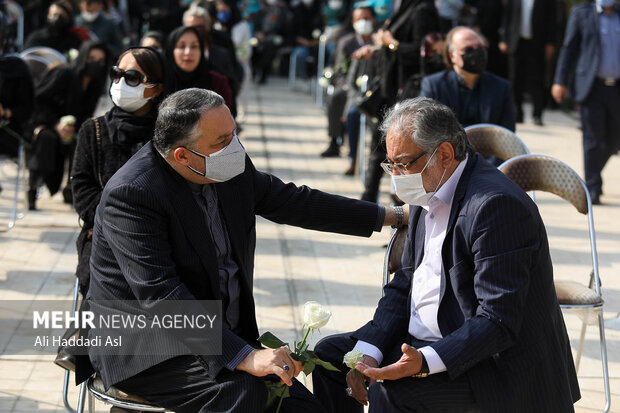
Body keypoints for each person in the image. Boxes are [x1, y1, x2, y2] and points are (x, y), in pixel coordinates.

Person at [83, 88, 406, 412]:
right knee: (248, 394)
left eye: (234, 133)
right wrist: (245, 355)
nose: (234, 147)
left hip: (219, 336)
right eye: (221, 140)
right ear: (182, 155)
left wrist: (391, 216)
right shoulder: (133, 194)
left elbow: (294, 202)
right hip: (148, 348)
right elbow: (162, 296)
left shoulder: (224, 167)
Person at [312, 97, 580, 413]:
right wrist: (368, 352)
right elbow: (404, 285)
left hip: (492, 363)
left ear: (444, 154)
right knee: (332, 359)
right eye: (391, 164)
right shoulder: (432, 190)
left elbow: (497, 320)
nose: (396, 177)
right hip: (428, 338)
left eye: (403, 163)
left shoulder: (495, 206)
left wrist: (424, 361)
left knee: (393, 395)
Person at [71, 46, 166, 295]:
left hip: (156, 238)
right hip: (103, 235)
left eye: (132, 77)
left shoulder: (169, 135)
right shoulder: (93, 131)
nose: (121, 82)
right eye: (117, 74)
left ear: (155, 88)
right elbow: (82, 193)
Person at [354, 0, 439, 202]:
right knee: (380, 141)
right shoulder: (405, 9)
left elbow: (421, 52)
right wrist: (379, 46)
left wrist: (391, 43)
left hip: (407, 90)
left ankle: (402, 199)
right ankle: (372, 195)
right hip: (391, 88)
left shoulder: (422, 11)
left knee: (401, 145)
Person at [552, 0, 620, 205]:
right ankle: (592, 186)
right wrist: (560, 80)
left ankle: (592, 174)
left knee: (614, 139)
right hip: (592, 87)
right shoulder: (581, 13)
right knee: (593, 138)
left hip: (617, 88)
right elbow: (568, 49)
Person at [30, 40, 110, 204]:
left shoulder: (94, 86)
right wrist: (55, 124)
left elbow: (86, 114)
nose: (95, 63)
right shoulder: (63, 73)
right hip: (43, 122)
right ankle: (33, 189)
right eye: (91, 58)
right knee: (46, 138)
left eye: (100, 61)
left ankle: (73, 187)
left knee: (87, 140)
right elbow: (38, 100)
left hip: (71, 128)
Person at [420, 26, 515, 131]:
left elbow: (507, 134)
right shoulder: (434, 86)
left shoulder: (501, 87)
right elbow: (427, 131)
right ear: (452, 55)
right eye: (468, 49)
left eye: (480, 47)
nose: (476, 53)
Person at [320, 6, 376, 164]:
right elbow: (339, 70)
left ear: (374, 20)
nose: (363, 22)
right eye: (359, 19)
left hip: (373, 88)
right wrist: (349, 87)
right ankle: (334, 141)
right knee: (335, 98)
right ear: (353, 22)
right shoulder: (346, 42)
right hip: (349, 86)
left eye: (367, 18)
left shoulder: (377, 42)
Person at [499, 0, 555, 126]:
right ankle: (518, 113)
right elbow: (507, 17)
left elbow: (552, 20)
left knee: (538, 80)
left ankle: (538, 115)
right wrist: (504, 39)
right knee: (515, 80)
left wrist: (551, 42)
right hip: (516, 43)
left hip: (538, 44)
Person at [166, 26, 233, 110]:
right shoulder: (159, 84)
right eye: (182, 46)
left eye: (194, 46)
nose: (188, 52)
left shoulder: (217, 83)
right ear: (171, 50)